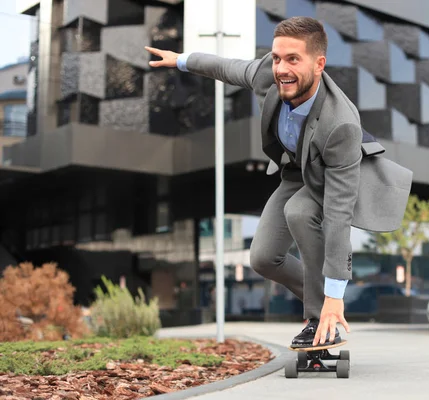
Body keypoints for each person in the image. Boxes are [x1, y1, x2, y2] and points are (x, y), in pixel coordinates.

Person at [145, 16, 412, 348]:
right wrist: (181, 60)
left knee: (300, 212)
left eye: (293, 59)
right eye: (277, 58)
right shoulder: (268, 76)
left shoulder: (341, 124)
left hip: (330, 179)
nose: (281, 68)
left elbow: (338, 214)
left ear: (319, 64)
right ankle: (322, 300)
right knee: (262, 258)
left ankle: (320, 316)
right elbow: (227, 68)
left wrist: (335, 293)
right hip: (293, 173)